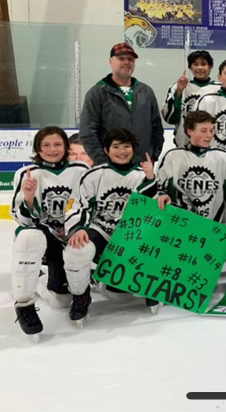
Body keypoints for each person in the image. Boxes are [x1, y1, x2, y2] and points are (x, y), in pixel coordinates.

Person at [63, 128, 158, 325]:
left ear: (133, 149)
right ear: (106, 150)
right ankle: (80, 296)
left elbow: (154, 210)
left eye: (126, 146)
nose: (122, 151)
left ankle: (150, 286)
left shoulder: (142, 175)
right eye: (116, 147)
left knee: (120, 295)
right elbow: (78, 203)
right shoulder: (94, 175)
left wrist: (150, 180)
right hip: (100, 230)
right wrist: (78, 228)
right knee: (77, 249)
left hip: (130, 235)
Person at [10, 127, 89, 341]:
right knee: (29, 238)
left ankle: (81, 294)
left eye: (57, 144)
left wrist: (73, 228)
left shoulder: (80, 170)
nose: (52, 149)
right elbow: (24, 221)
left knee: (62, 300)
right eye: (46, 145)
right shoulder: (26, 174)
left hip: (69, 234)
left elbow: (84, 205)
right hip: (44, 238)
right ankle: (24, 305)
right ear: (38, 148)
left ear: (65, 147)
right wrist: (28, 197)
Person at [80, 43, 164, 166]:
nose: (126, 62)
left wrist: (154, 156)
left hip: (142, 166)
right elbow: (88, 133)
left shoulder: (146, 92)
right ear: (111, 61)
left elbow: (156, 127)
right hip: (111, 167)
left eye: (130, 59)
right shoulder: (97, 93)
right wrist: (104, 162)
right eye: (121, 58)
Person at [155, 110, 226, 223]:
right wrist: (162, 195)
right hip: (178, 225)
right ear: (190, 131)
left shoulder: (223, 158)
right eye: (203, 131)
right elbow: (160, 189)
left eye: (211, 130)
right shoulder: (172, 156)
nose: (209, 135)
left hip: (212, 228)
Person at [161, 50, 220, 148]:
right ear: (190, 67)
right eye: (195, 64)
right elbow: (169, 118)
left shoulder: (219, 89)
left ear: (210, 67)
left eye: (203, 64)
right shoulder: (178, 87)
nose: (199, 68)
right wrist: (178, 93)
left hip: (212, 146)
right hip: (184, 145)